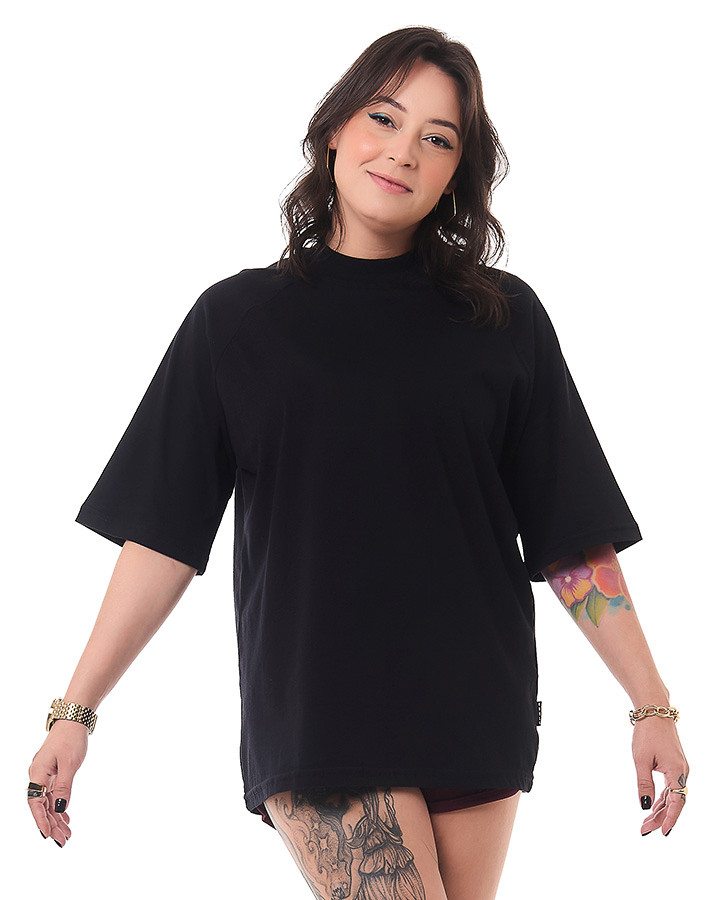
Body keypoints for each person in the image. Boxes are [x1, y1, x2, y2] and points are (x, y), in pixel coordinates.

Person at [27, 26, 689, 900]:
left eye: (437, 139)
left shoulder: (504, 319)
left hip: (472, 705)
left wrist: (649, 704)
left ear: (455, 173)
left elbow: (569, 534)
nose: (403, 151)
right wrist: (76, 711)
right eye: (383, 117)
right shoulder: (236, 321)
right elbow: (162, 535)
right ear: (335, 127)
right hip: (319, 711)